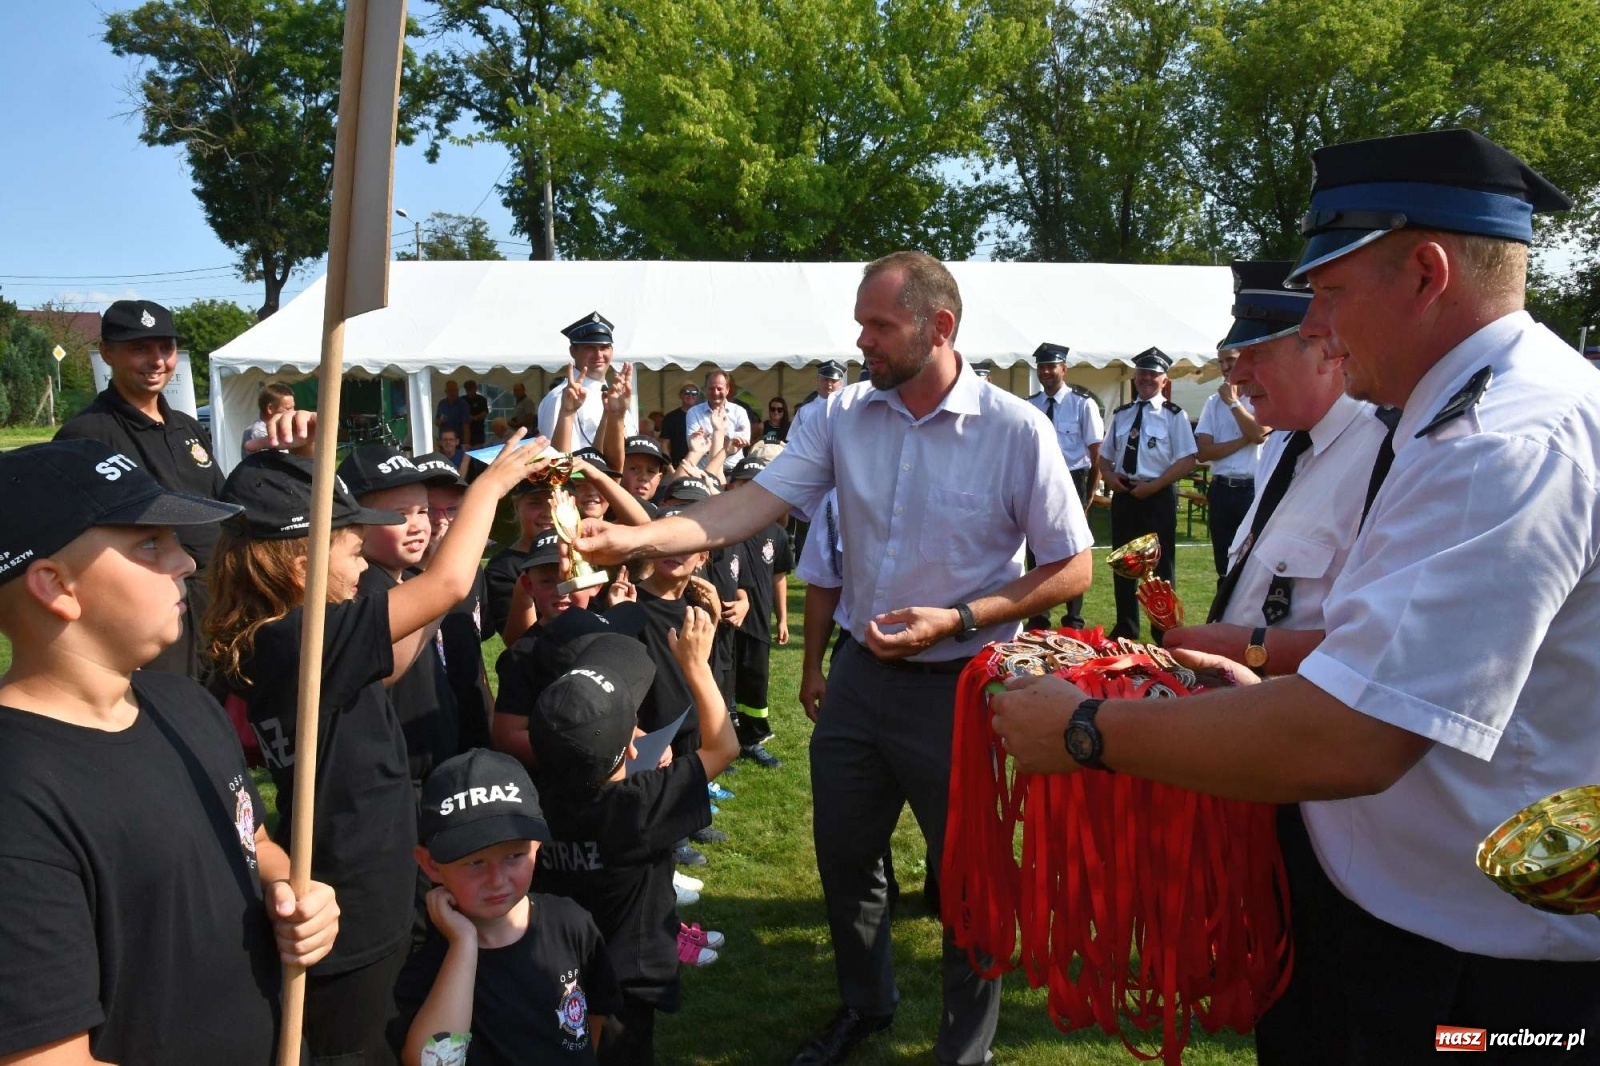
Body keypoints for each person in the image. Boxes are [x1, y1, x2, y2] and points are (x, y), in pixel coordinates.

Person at [990, 128, 1600, 1065]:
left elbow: (1355, 738)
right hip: (1427, 920)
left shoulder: (1496, 443)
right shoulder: (1474, 417)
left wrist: (1085, 731)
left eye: (1330, 291)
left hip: (1481, 970)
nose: (1318, 324)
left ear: (1427, 274)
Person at [575, 251, 1092, 1066]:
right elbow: (749, 505)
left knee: (969, 878)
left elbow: (1073, 566)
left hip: (964, 685)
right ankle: (866, 1005)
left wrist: (959, 617)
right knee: (846, 858)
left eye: (878, 325)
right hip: (860, 678)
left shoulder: (1015, 429)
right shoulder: (843, 414)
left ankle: (966, 1048)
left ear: (939, 327)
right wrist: (636, 538)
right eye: (860, 323)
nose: (861, 341)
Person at [207, 434, 548, 1064]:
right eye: (351, 550)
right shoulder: (304, 639)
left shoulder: (275, 639)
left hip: (363, 870)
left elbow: (390, 663)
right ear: (300, 563)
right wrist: (489, 487)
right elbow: (449, 583)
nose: (363, 568)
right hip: (354, 895)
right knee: (360, 1045)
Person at [0, 439, 340, 1066]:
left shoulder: (186, 707)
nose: (186, 562)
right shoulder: (17, 793)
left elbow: (253, 842)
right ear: (55, 585)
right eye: (149, 545)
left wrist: (290, 894)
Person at [528, 627, 738, 1065]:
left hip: (559, 968)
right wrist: (696, 666)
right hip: (628, 980)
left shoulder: (535, 800)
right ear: (628, 747)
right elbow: (723, 746)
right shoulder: (638, 807)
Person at [394, 748, 622, 1066]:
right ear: (431, 864)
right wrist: (464, 944)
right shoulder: (430, 965)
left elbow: (595, 1017)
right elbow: (430, 1063)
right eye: (475, 862)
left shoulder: (571, 924)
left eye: (514, 856)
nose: (497, 880)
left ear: (537, 845)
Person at [54, 299, 224, 679]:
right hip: (153, 613)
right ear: (107, 353)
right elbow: (74, 544)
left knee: (221, 706)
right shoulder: (86, 436)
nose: (157, 360)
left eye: (166, 347)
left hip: (217, 601)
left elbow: (221, 502)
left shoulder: (187, 427)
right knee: (166, 705)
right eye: (139, 348)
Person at [1099, 347, 1197, 644]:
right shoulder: (1123, 414)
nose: (1146, 378)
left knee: (1161, 567)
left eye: (1153, 374)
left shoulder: (1173, 416)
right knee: (1123, 564)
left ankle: (1164, 631)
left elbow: (1187, 460)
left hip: (1156, 496)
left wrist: (1154, 487)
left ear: (1164, 380)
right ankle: (1125, 628)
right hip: (1125, 494)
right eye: (1142, 373)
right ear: (1134, 376)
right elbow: (1105, 456)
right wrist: (1109, 477)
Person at [1026, 341, 1103, 629]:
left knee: (1073, 548)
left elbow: (1096, 454)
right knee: (1036, 549)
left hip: (1073, 480)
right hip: (1038, 480)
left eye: (1051, 366)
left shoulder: (1082, 404)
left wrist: (1089, 495)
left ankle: (1073, 619)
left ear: (1064, 369)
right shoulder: (1030, 405)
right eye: (1041, 367)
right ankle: (1038, 617)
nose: (1045, 372)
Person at [725, 456, 794, 767]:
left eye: (755, 485)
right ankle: (725, 741)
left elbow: (779, 577)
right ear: (730, 487)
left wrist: (783, 619)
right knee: (724, 683)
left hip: (758, 624)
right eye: (743, 484)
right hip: (725, 623)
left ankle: (752, 740)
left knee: (754, 681)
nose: (748, 491)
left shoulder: (775, 532)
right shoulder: (722, 527)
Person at [1194, 346, 1269, 576]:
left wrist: (1233, 402)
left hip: (1252, 490)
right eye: (1221, 362)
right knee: (1223, 562)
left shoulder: (1262, 395)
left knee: (1251, 561)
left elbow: (1259, 434)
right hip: (1221, 490)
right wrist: (1245, 439)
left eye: (1231, 360)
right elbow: (1203, 452)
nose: (1225, 367)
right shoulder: (1212, 402)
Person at [538, 313, 637, 451]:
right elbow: (559, 458)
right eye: (590, 348)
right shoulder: (560, 397)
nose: (598, 355)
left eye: (604, 347)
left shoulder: (615, 394)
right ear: (573, 351)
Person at [685, 369, 752, 471]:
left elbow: (745, 438)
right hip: (703, 472)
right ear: (705, 389)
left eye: (719, 389)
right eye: (711, 388)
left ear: (727, 389)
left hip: (733, 472)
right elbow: (693, 444)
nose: (715, 392)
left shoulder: (739, 411)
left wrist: (709, 438)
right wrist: (730, 440)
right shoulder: (694, 412)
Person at [242, 381, 297, 452]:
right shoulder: (260, 433)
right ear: (270, 409)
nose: (293, 412)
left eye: (293, 407)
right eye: (288, 408)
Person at [661, 382, 701, 465]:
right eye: (687, 392)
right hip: (678, 464)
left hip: (700, 464)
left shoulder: (703, 416)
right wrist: (670, 468)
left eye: (694, 393)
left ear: (697, 396)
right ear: (680, 395)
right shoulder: (670, 417)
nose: (690, 395)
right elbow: (664, 445)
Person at [461, 380, 490, 447]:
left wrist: (475, 418)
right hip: (464, 430)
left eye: (472, 389)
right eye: (468, 390)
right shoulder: (462, 400)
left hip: (478, 430)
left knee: (478, 448)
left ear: (475, 389)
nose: (470, 392)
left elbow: (484, 413)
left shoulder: (481, 399)